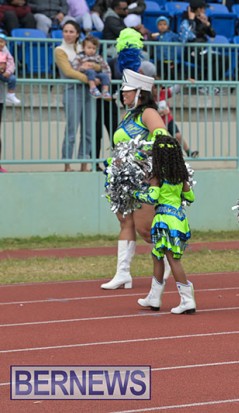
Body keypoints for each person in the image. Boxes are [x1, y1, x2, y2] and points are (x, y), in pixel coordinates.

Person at [101, 28, 171, 290]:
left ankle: (168, 262)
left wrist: (139, 155)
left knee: (145, 228)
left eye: (127, 91)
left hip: (143, 177)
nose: (123, 94)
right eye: (122, 90)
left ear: (140, 93)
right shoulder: (127, 116)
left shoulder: (148, 113)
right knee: (125, 221)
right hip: (124, 178)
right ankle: (123, 274)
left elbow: (162, 137)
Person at [133, 134, 196, 315]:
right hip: (179, 219)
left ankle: (187, 299)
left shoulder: (157, 176)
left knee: (173, 259)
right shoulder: (180, 176)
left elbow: (152, 198)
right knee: (157, 255)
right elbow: (190, 197)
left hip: (165, 220)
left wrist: (135, 194)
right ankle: (154, 297)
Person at [54, 20, 96, 172]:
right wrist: (90, 79)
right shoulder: (59, 50)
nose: (68, 34)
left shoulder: (83, 47)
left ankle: (84, 163)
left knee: (88, 130)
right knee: (71, 129)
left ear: (78, 34)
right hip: (72, 91)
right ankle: (67, 164)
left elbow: (97, 64)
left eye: (71, 31)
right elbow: (68, 71)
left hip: (88, 91)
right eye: (65, 31)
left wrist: (92, 67)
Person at [179, 0, 229, 83]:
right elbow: (187, 37)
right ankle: (207, 85)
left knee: (225, 59)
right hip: (191, 52)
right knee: (217, 60)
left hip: (203, 51)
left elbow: (213, 35)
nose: (204, 10)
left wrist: (207, 24)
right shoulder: (186, 21)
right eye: (203, 8)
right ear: (199, 9)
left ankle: (210, 84)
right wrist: (191, 21)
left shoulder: (200, 20)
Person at [73, 35, 113, 99]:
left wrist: (108, 78)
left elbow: (106, 67)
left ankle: (105, 91)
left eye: (94, 48)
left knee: (105, 75)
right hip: (85, 74)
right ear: (83, 48)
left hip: (96, 74)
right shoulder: (80, 56)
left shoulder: (98, 57)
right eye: (89, 48)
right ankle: (93, 88)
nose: (91, 50)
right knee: (90, 71)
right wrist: (82, 68)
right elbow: (75, 66)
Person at [0, 34, 21, 105]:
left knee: (12, 78)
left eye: (2, 42)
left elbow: (11, 63)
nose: (0, 44)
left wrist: (8, 71)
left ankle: (10, 95)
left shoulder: (5, 52)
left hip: (3, 73)